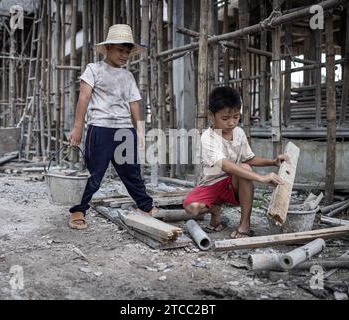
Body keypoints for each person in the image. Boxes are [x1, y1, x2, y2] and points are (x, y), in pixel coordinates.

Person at [68, 24, 157, 230]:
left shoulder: (128, 76)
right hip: (100, 129)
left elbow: (134, 103)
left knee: (132, 172)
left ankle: (145, 205)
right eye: (120, 50)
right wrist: (78, 127)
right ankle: (78, 209)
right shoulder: (94, 69)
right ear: (108, 48)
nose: (124, 55)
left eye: (127, 52)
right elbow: (84, 96)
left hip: (125, 130)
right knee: (94, 174)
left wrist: (140, 130)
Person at [183, 86, 290, 239]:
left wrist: (273, 162)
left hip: (233, 184)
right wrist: (260, 177)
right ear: (212, 115)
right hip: (211, 184)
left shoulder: (239, 133)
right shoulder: (208, 137)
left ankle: (244, 225)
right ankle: (215, 210)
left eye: (236, 117)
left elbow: (249, 158)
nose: (232, 123)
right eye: (225, 118)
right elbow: (225, 165)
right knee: (191, 208)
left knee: (245, 167)